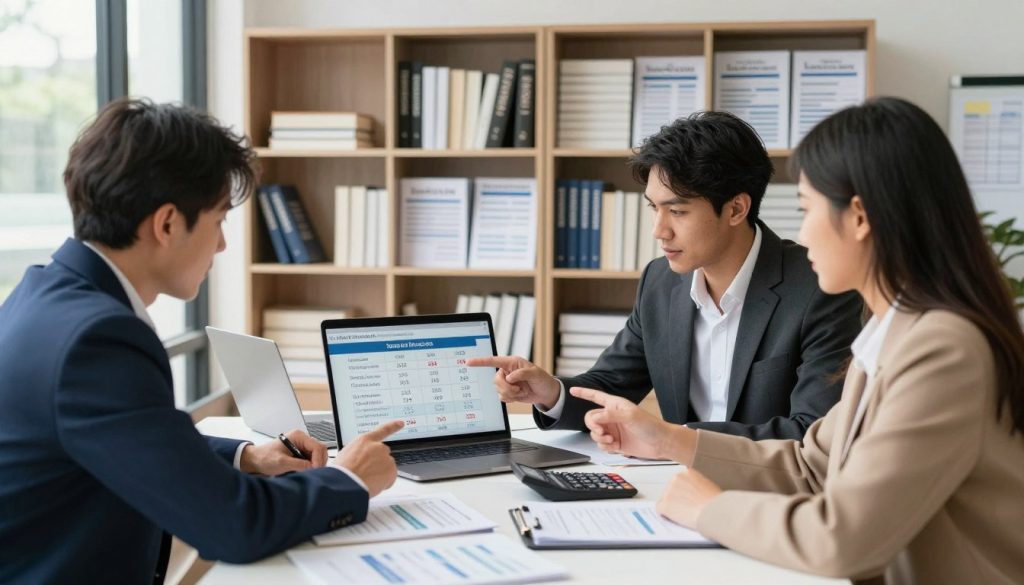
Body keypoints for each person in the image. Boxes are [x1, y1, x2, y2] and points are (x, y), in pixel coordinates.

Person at [574, 97, 1024, 584]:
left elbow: (846, 540)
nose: (801, 232)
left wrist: (712, 509)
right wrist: (667, 438)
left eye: (807, 208)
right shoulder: (894, 330)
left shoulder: (943, 350)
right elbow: (812, 465)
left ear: (858, 218)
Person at [0, 98, 404, 583]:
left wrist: (244, 456)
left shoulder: (42, 292)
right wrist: (348, 480)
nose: (222, 245)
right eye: (218, 221)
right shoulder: (99, 340)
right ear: (167, 223)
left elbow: (122, 437)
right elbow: (233, 525)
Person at [469, 111, 862, 440]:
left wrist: (673, 439)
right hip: (670, 484)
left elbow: (813, 432)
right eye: (653, 209)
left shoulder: (820, 288)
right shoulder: (661, 281)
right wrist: (549, 391)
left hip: (766, 494)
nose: (659, 231)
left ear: (736, 209)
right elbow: (611, 385)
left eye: (677, 211)